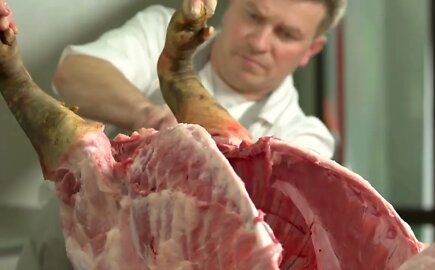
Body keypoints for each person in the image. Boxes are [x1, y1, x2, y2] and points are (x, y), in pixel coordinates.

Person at [7, 0, 347, 269]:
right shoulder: (162, 29)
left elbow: (255, 222)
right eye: (254, 15)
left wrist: (177, 75)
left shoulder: (307, 137)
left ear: (311, 50)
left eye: (285, 34)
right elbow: (74, 75)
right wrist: (150, 113)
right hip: (55, 251)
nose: (259, 42)